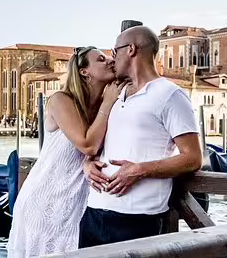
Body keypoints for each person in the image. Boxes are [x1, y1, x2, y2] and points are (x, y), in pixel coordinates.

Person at [81, 26, 202, 247]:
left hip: (137, 218)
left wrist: (139, 170)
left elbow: (193, 158)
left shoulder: (171, 95)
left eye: (115, 51)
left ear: (131, 50)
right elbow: (101, 143)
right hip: (93, 212)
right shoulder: (115, 94)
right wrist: (87, 163)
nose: (111, 58)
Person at [7, 47, 123, 257]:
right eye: (100, 59)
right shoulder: (61, 100)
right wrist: (108, 102)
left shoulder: (102, 110)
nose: (109, 62)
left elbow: (95, 151)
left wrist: (88, 162)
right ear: (84, 72)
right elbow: (87, 144)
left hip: (75, 205)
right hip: (44, 201)